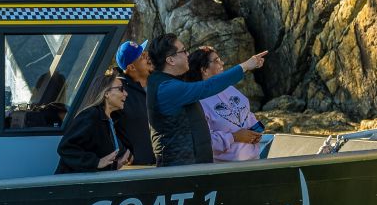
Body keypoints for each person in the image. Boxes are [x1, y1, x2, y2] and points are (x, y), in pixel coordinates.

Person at [146, 33, 266, 167]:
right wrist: (244, 66)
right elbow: (207, 86)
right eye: (183, 51)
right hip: (180, 169)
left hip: (191, 166)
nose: (187, 55)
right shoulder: (166, 88)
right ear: (171, 60)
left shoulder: (169, 83)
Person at [186, 46, 262, 162]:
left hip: (255, 160)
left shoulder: (229, 88)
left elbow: (246, 113)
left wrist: (254, 131)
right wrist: (235, 137)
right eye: (216, 61)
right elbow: (203, 141)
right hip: (227, 169)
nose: (222, 62)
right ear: (204, 70)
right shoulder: (198, 102)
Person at [55, 73, 134, 174]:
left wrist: (124, 157)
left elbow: (102, 153)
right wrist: (96, 162)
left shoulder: (109, 119)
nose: (126, 93)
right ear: (106, 93)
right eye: (120, 89)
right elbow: (65, 148)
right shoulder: (90, 115)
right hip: (74, 185)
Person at [114, 39, 155, 165]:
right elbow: (104, 126)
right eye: (142, 56)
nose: (147, 56)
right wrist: (124, 153)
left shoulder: (156, 85)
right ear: (131, 67)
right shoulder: (118, 92)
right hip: (138, 169)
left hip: (162, 163)